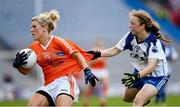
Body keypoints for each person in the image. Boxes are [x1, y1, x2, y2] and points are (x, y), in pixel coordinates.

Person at [12, 9, 98, 106]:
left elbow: (77, 54)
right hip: (48, 85)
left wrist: (87, 70)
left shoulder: (57, 41)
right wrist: (19, 66)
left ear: (44, 27)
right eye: (31, 27)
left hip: (64, 81)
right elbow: (26, 71)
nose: (31, 30)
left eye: (34, 26)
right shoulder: (32, 48)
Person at [88, 9, 170, 106]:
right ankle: (144, 99)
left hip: (156, 76)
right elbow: (115, 50)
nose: (129, 26)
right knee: (126, 98)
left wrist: (137, 76)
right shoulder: (130, 36)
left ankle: (143, 98)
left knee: (138, 101)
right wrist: (97, 54)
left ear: (142, 26)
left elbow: (151, 67)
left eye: (132, 23)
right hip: (139, 72)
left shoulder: (154, 43)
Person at [83, 38, 109, 106]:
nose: (100, 44)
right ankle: (86, 102)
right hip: (94, 70)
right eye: (99, 43)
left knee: (105, 85)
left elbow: (105, 62)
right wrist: (97, 60)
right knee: (91, 87)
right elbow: (89, 62)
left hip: (102, 70)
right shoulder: (93, 50)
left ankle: (102, 100)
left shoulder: (104, 50)